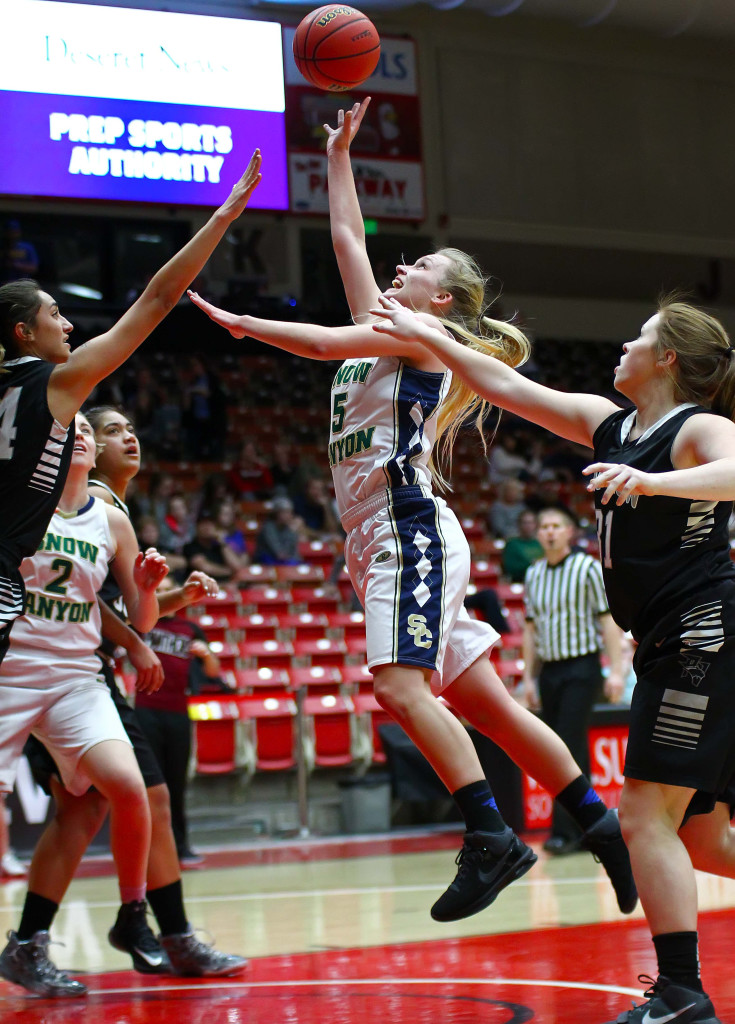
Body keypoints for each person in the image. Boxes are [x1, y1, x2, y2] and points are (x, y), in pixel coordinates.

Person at [187, 98, 636, 925]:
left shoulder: (414, 339)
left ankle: (488, 835)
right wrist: (338, 156)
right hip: (379, 535)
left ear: (445, 302)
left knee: (397, 685)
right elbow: (348, 242)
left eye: (420, 265)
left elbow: (320, 344)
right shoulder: (393, 325)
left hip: (406, 526)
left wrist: (235, 321)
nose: (401, 268)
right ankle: (602, 827)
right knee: (491, 707)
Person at [370, 292, 735, 1024]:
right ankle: (680, 993)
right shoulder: (611, 425)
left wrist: (653, 482)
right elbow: (501, 383)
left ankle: (680, 995)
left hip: (704, 633)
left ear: (665, 358)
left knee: (640, 816)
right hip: (668, 644)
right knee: (698, 836)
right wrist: (420, 333)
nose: (622, 345)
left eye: (637, 333)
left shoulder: (698, 428)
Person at [0, 150, 262, 664]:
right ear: (24, 333)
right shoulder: (56, 383)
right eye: (55, 314)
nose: (69, 324)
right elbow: (159, 299)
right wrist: (222, 217)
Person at [0, 412, 168, 998]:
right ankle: (25, 944)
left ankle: (131, 912)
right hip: (11, 669)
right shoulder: (19, 499)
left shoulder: (112, 523)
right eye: (68, 428)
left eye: (87, 432)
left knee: (127, 787)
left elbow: (139, 621)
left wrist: (147, 589)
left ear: (92, 454)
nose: (79, 435)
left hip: (75, 677)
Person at [521, 505, 624, 854]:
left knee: (564, 746)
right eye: (544, 525)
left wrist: (617, 671)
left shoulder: (587, 568)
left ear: (569, 532)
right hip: (550, 670)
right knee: (565, 749)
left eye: (556, 525)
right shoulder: (533, 574)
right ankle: (593, 826)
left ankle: (565, 832)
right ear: (538, 534)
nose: (549, 531)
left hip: (582, 667)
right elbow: (530, 629)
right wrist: (529, 679)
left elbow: (608, 620)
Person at [136, 575, 226, 866]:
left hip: (178, 713)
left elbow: (212, 672)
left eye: (167, 590)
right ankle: (150, 849)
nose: (163, 595)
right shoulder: (141, 623)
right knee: (151, 784)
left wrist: (207, 655)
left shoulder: (190, 629)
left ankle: (181, 846)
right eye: (158, 590)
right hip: (145, 712)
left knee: (176, 783)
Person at [501, 508, 544, 583]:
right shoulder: (512, 543)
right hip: (521, 581)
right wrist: (531, 564)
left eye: (531, 523)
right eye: (525, 523)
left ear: (536, 525)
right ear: (519, 525)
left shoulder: (542, 543)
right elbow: (510, 568)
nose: (528, 526)